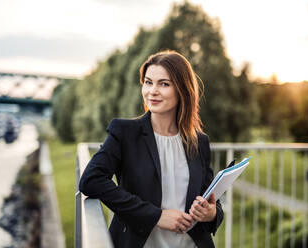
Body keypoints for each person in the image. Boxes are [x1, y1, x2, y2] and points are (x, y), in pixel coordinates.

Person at [79, 50, 224, 248]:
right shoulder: (125, 133)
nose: (152, 91)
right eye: (148, 82)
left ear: (182, 89)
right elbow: (91, 180)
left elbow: (210, 200)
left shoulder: (199, 142)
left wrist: (212, 213)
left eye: (164, 84)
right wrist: (156, 216)